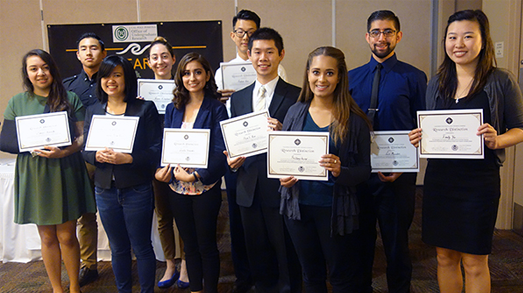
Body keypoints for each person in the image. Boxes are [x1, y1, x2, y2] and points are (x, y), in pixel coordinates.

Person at [408, 10, 523, 293]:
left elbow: (520, 128)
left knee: (474, 260)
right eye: (452, 37)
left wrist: (498, 140)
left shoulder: (500, 81)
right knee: (444, 256)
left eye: (468, 36)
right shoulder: (436, 83)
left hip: (478, 183)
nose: (459, 44)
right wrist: (420, 137)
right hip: (440, 180)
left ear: (483, 41)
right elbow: (433, 129)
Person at [0, 49, 96, 293]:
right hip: (35, 173)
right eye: (34, 69)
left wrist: (65, 151)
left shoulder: (70, 97)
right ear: (27, 74)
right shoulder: (17, 102)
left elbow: (83, 136)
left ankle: (74, 287)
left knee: (66, 235)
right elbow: (8, 141)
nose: (40, 73)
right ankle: (57, 288)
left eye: (44, 67)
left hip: (65, 169)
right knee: (47, 238)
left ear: (52, 69)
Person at [279, 46, 371, 292]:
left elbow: (364, 170)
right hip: (298, 208)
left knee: (341, 277)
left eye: (329, 73)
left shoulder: (354, 119)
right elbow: (283, 159)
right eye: (316, 72)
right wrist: (283, 177)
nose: (322, 79)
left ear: (340, 76)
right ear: (307, 74)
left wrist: (342, 171)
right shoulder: (295, 112)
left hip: (335, 209)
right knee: (311, 275)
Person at [348, 10, 427, 293]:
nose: (382, 38)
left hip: (399, 176)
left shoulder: (415, 77)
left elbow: (422, 127)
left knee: (397, 245)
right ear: (367, 37)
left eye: (388, 32)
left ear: (398, 36)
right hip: (360, 175)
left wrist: (406, 164)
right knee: (360, 242)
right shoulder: (351, 78)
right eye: (376, 32)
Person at [226, 27, 302, 293]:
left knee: (285, 249)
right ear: (248, 55)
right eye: (257, 52)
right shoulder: (238, 98)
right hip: (248, 185)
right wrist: (233, 158)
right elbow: (235, 141)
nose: (263, 58)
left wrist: (283, 133)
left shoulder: (297, 95)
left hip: (280, 186)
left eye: (270, 52)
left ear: (281, 55)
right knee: (255, 249)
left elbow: (304, 140)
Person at [83, 55, 162, 293]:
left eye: (117, 75)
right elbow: (86, 151)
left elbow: (156, 149)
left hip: (137, 187)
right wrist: (95, 156)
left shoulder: (144, 108)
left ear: (127, 78)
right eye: (106, 75)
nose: (111, 80)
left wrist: (128, 158)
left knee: (141, 247)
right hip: (105, 189)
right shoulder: (94, 110)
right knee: (117, 248)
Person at [155, 52, 228, 293]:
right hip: (177, 187)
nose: (192, 78)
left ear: (207, 75)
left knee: (207, 245)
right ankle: (195, 289)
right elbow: (166, 147)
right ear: (180, 77)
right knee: (190, 246)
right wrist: (162, 170)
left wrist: (196, 176)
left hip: (204, 186)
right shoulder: (173, 108)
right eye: (186, 73)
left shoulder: (217, 108)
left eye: (197, 72)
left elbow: (220, 152)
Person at [63, 32, 107, 286]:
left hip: (111, 155)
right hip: (80, 158)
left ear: (102, 52)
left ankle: (128, 256)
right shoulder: (68, 87)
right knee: (85, 214)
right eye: (84, 49)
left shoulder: (114, 80)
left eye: (94, 48)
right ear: (78, 55)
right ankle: (89, 265)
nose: (89, 52)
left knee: (119, 209)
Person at [146, 36, 190, 290]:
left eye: (165, 56)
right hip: (157, 163)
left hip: (184, 159)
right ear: (149, 62)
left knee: (183, 214)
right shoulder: (141, 94)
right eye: (155, 57)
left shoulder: (186, 87)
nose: (160, 61)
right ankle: (170, 263)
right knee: (163, 215)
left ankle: (185, 263)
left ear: (173, 59)